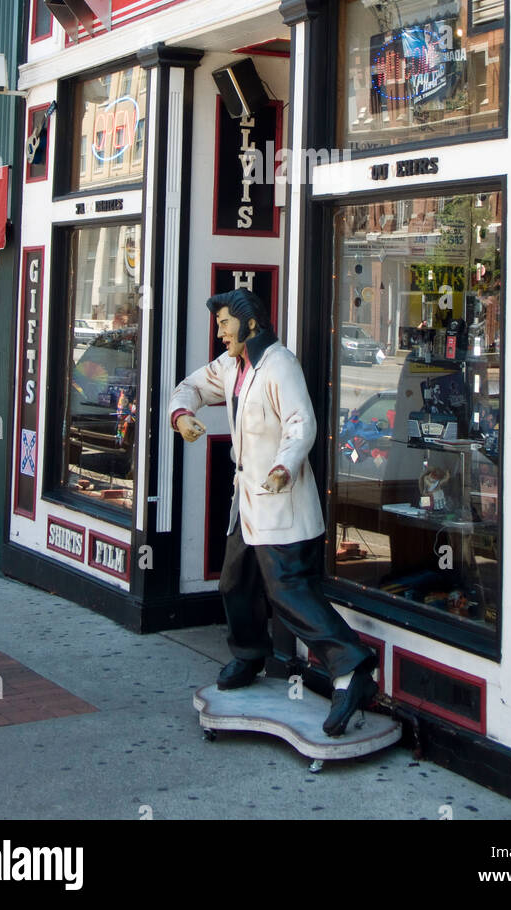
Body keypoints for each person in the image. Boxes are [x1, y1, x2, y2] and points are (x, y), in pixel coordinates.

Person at [169, 289, 378, 736]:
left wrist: (285, 465)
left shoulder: (280, 364)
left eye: (225, 322)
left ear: (250, 323)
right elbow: (189, 386)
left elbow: (301, 422)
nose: (220, 331)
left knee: (287, 592)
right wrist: (182, 414)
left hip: (281, 503)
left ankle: (351, 670)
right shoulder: (232, 366)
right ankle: (248, 655)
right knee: (234, 582)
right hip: (247, 503)